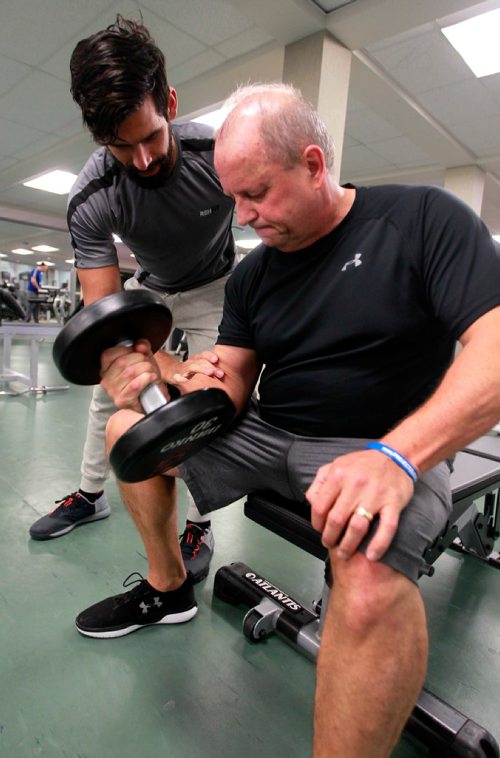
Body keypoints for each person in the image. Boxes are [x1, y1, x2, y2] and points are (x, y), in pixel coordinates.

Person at [74, 83, 500, 756]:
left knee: (362, 589)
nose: (243, 217)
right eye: (234, 198)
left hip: (392, 446)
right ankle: (169, 588)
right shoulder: (253, 278)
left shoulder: (423, 220)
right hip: (274, 436)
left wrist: (398, 456)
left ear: (312, 163)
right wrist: (166, 382)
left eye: (257, 195)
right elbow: (235, 381)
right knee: (129, 432)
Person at [28, 16, 236, 584]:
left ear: (168, 101)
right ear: (99, 140)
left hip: (218, 283)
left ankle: (200, 521)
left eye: (150, 136)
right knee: (111, 395)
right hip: (150, 286)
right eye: (122, 147)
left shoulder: (221, 154)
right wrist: (153, 361)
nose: (142, 159)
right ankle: (90, 495)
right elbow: (105, 321)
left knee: (211, 397)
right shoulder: (92, 196)